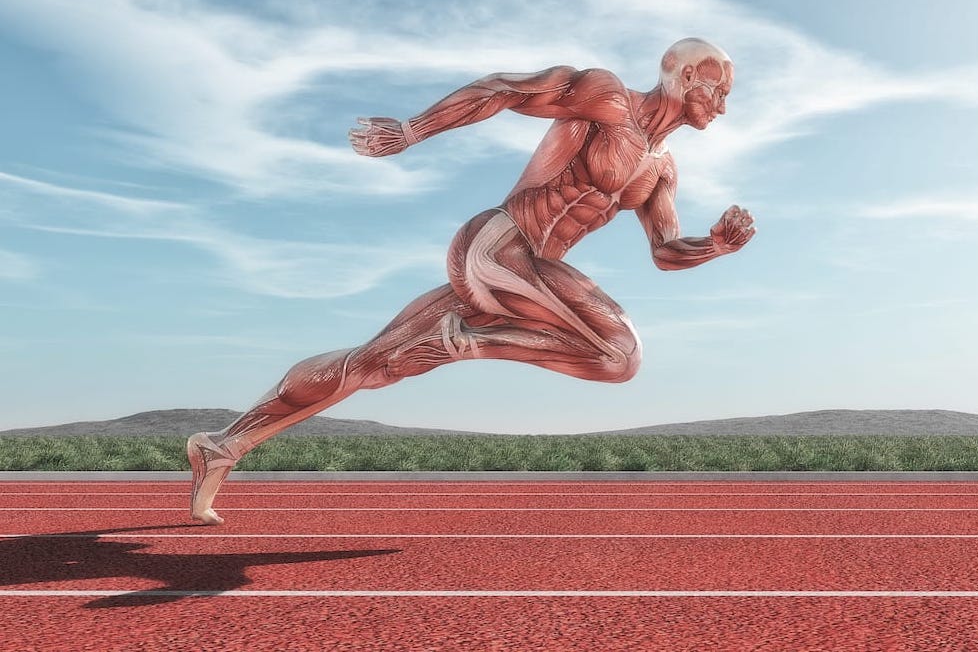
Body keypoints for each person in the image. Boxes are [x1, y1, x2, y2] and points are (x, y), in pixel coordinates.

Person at [187, 37, 756, 525]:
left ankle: (222, 446)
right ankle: (468, 342)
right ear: (685, 77)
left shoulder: (661, 168)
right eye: (719, 90)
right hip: (497, 248)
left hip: (529, 280)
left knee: (373, 363)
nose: (724, 107)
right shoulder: (607, 98)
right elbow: (504, 89)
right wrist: (412, 130)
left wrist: (716, 246)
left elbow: (664, 251)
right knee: (620, 354)